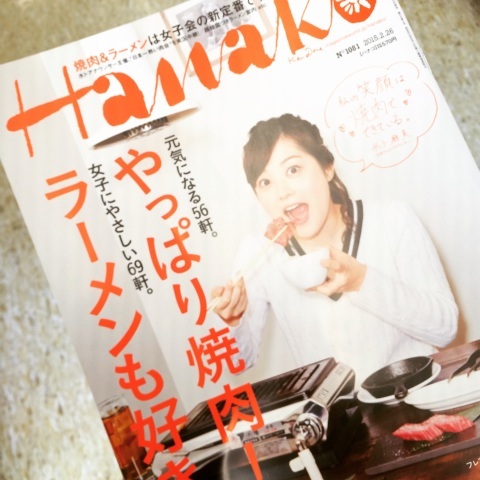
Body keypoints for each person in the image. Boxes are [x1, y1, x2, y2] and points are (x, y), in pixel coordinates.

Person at [211, 113, 458, 386]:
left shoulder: (391, 219)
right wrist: (232, 321)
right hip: (335, 411)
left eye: (293, 170)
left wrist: (361, 281)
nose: (282, 192)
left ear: (327, 168)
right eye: (265, 182)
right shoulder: (260, 253)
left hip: (419, 392)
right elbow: (237, 363)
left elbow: (445, 328)